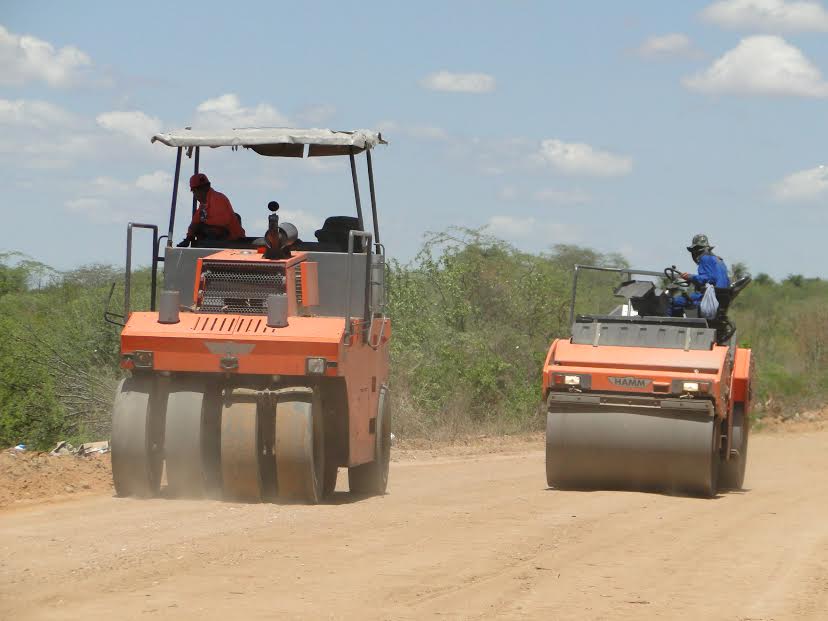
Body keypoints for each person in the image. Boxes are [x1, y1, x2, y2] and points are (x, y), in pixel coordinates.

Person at [177, 173, 245, 246]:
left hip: (234, 243)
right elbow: (195, 223)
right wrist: (188, 238)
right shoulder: (203, 205)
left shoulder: (218, 199)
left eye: (200, 189)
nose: (197, 194)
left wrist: (202, 225)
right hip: (218, 243)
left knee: (205, 230)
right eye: (195, 191)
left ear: (208, 187)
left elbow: (223, 222)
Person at [670, 233, 730, 316]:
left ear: (696, 250)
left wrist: (690, 277)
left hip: (706, 298)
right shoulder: (719, 260)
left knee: (672, 302)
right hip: (718, 299)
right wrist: (692, 280)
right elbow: (716, 280)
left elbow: (708, 278)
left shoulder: (705, 258)